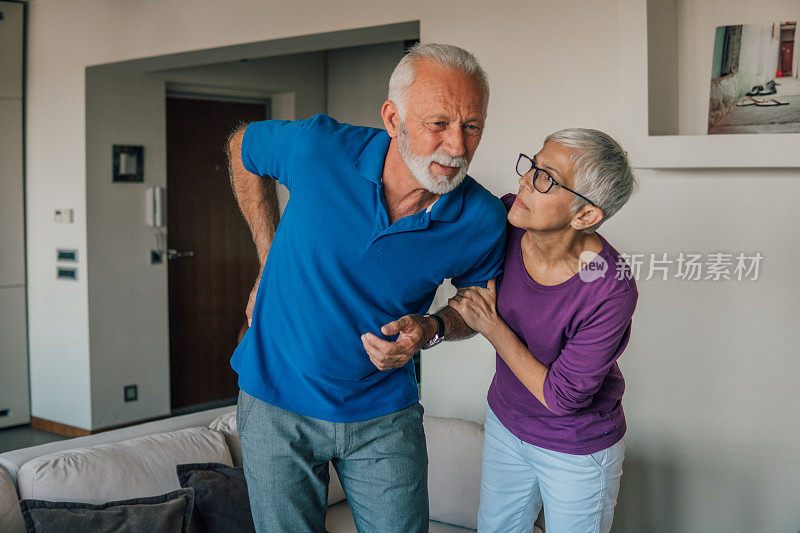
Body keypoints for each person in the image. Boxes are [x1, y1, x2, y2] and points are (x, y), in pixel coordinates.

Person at [226, 43, 506, 532]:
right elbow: (242, 147)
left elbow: (477, 305)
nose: (457, 147)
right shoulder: (321, 148)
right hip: (273, 401)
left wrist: (433, 327)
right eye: (438, 124)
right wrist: (269, 260)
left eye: (471, 126)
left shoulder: (481, 218)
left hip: (383, 417)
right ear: (393, 118)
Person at [448, 129, 638, 533]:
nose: (524, 180)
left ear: (585, 215)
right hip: (506, 421)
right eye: (532, 165)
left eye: (545, 177)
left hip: (575, 447)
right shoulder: (505, 222)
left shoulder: (610, 288)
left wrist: (493, 328)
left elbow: (564, 397)